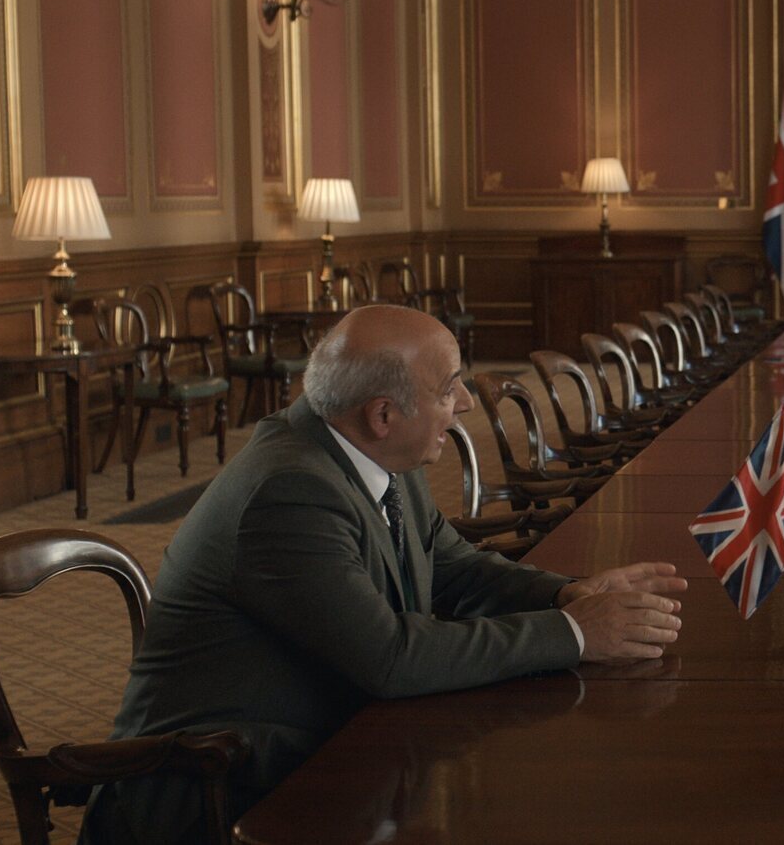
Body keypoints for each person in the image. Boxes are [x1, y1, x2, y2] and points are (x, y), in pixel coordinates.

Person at [81, 305, 687, 844]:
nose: (466, 404)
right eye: (450, 390)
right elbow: (390, 659)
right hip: (216, 787)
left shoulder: (375, 452)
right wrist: (574, 634)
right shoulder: (288, 493)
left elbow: (453, 569)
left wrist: (569, 592)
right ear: (383, 414)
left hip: (323, 746)